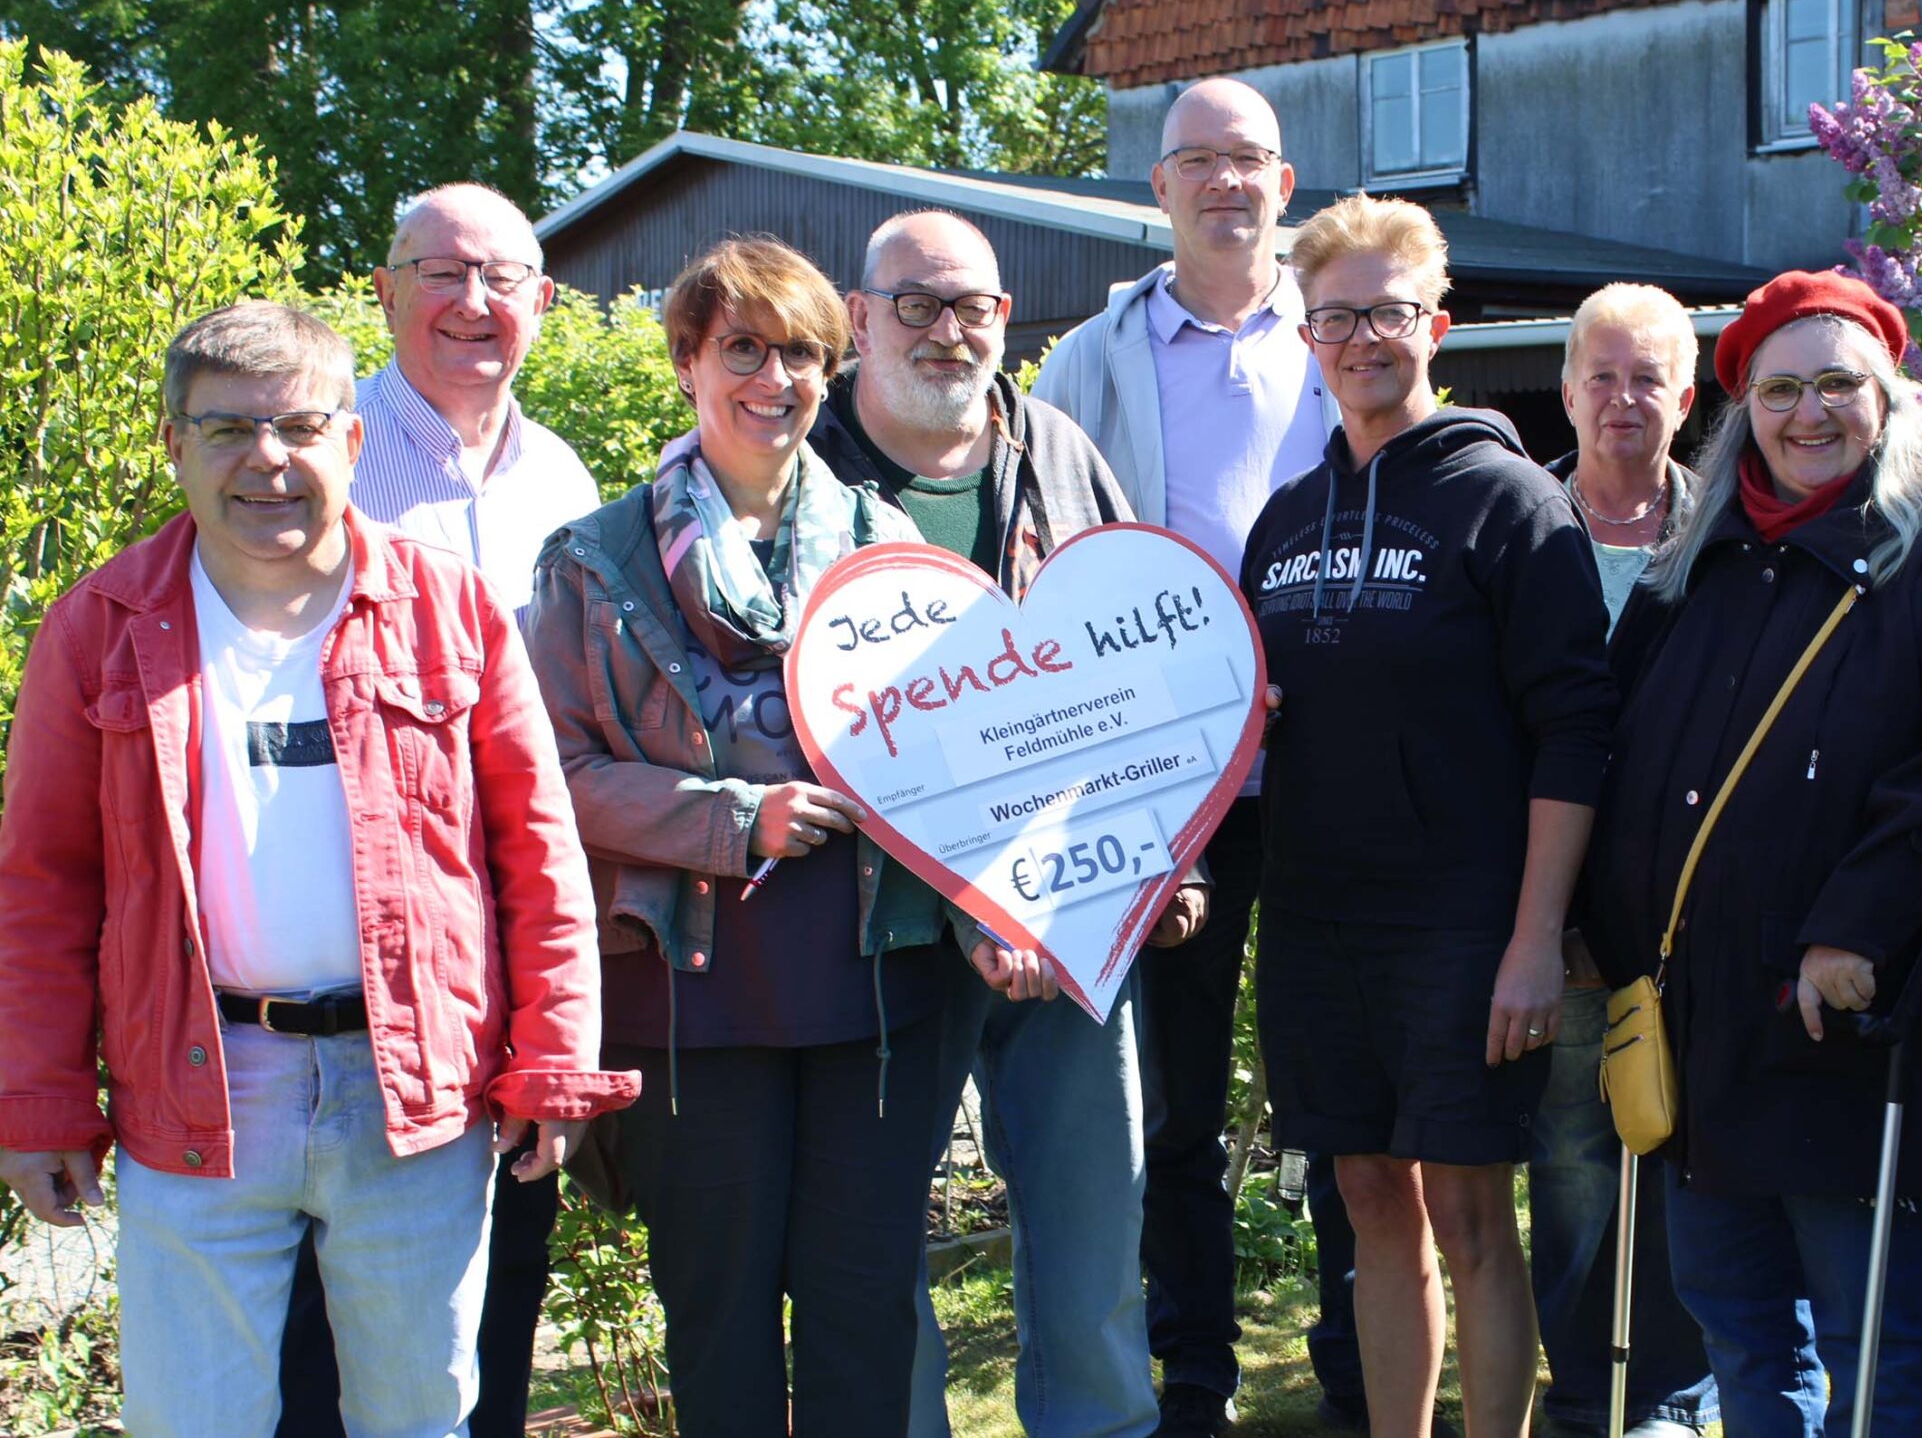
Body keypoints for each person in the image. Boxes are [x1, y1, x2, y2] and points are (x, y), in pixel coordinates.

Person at [0, 300, 632, 1437]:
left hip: (414, 1098)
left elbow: (538, 853)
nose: (268, 461)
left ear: (351, 440)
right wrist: (40, 1098)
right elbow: (43, 885)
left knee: (416, 1418)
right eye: (229, 429)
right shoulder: (96, 625)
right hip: (195, 1090)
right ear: (174, 443)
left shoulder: (451, 612)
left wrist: (551, 1059)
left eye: (298, 425)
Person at [1580, 271, 1922, 1438]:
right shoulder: (1691, 566)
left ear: (1887, 402)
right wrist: (1597, 926)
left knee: (1867, 1318)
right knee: (1732, 1311)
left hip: (1850, 1008)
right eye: (1780, 389)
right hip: (1699, 1015)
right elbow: (1612, 751)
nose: (1809, 414)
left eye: (1838, 384)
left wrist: (1854, 926)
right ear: (1743, 411)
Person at [521, 235, 951, 1437]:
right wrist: (729, 819)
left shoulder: (890, 550)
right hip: (688, 1006)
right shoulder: (595, 565)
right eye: (743, 349)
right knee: (716, 1320)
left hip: (872, 998)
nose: (775, 378)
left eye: (803, 353)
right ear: (687, 363)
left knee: (867, 1312)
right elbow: (556, 778)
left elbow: (965, 752)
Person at [803, 208, 1187, 1438]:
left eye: (970, 304)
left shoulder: (1061, 454)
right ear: (858, 318)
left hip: (1067, 922)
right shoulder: (793, 471)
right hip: (870, 932)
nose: (945, 328)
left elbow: (1135, 663)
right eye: (913, 302)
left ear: (1006, 320)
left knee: (1092, 1239)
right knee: (873, 1258)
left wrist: (1157, 851)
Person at [1239, 193, 1617, 1438]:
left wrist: (1530, 943)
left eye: (1386, 314)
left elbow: (1576, 730)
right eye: (1333, 316)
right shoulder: (1281, 523)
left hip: (1463, 927)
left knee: (1468, 1213)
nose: (1360, 339)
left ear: (1435, 326)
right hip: (1313, 924)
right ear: (1306, 335)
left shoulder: (1510, 503)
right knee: (1364, 1199)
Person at [1031, 76, 1359, 1436]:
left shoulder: (1342, 338)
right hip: (1162, 789)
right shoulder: (1087, 361)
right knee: (1171, 1106)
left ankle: (1360, 1358)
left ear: (1285, 187)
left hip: (1334, 771)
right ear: (1157, 189)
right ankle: (1196, 1374)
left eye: (1251, 161)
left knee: (1340, 1083)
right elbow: (1039, 561)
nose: (1227, 183)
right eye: (1198, 161)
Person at [278, 180, 608, 1438]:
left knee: (496, 1290)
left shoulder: (563, 477)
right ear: (384, 291)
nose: (477, 304)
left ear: (539, 302)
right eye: (443, 275)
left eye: (506, 280)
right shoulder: (321, 460)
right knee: (327, 1332)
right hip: (350, 959)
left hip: (510, 942)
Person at [1537, 283, 1717, 1438]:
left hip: (1690, 915)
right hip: (1552, 918)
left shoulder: (1726, 538)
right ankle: (1584, 1390)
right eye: (1599, 376)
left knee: (1686, 1152)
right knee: (1572, 1165)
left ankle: (1669, 1386)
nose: (1621, 399)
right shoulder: (1515, 528)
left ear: (1686, 396)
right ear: (1565, 390)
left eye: (1645, 376)